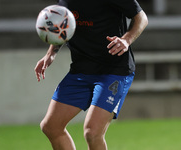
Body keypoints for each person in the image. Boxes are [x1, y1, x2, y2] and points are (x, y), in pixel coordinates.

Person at [34, 0, 148, 149]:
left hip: (113, 70)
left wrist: (126, 40)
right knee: (51, 127)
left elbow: (141, 18)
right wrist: (50, 54)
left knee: (92, 132)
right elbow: (62, 24)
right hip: (81, 69)